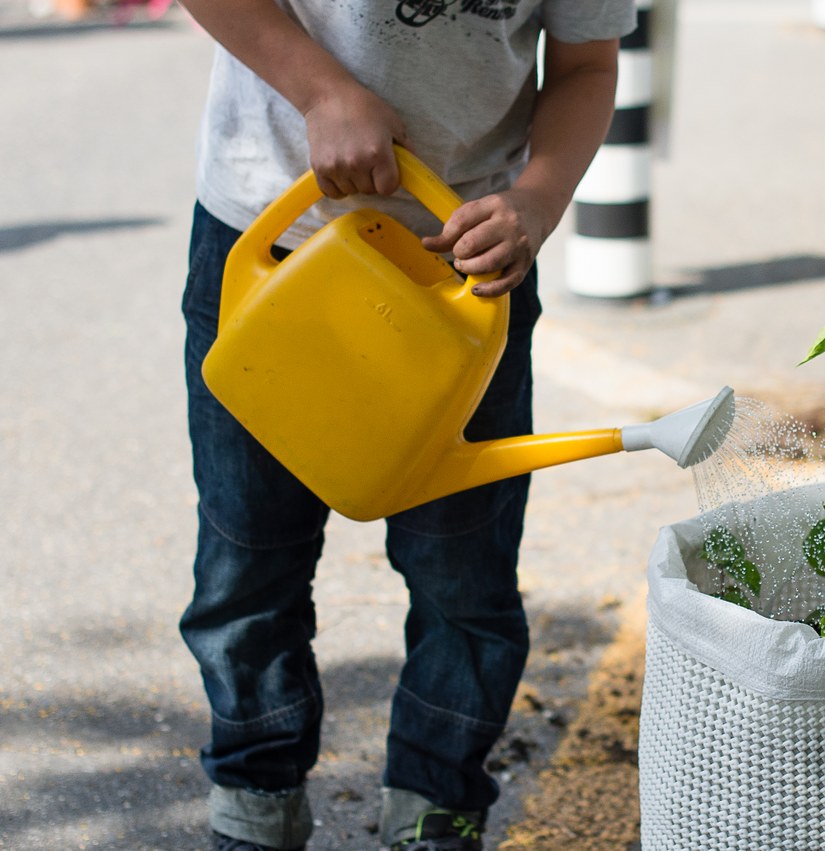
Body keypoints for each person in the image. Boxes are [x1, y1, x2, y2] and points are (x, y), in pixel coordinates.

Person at [175, 1, 636, 849]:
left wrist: (534, 200)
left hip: (464, 280)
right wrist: (320, 92)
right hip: (271, 238)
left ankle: (435, 798)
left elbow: (585, 68)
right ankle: (255, 790)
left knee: (466, 576)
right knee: (247, 559)